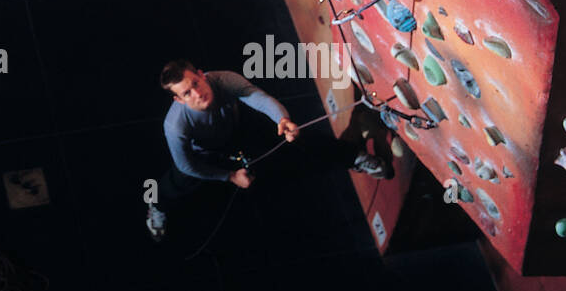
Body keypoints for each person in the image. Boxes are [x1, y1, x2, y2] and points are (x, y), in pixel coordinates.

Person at [146, 60, 390, 243]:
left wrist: (281, 119)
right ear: (179, 100)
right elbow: (186, 165)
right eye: (187, 93)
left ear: (201, 75)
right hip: (204, 152)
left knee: (296, 139)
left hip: (236, 129)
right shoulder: (175, 125)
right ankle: (157, 207)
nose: (198, 93)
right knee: (176, 183)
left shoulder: (222, 80)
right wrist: (229, 177)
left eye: (196, 83)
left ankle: (353, 157)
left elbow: (255, 96)